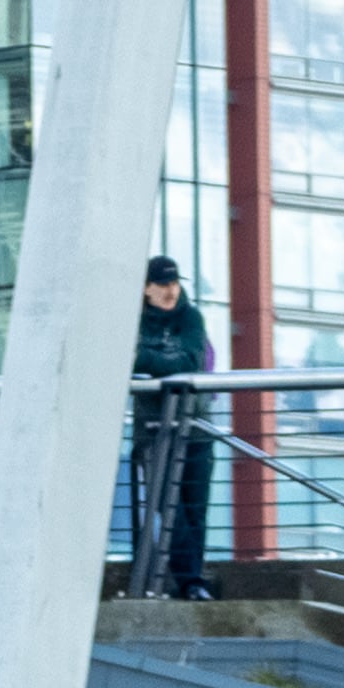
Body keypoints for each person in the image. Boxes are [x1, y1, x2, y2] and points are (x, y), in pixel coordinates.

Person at [128, 250, 220, 592]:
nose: (170, 291)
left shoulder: (192, 318)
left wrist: (153, 361)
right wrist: (169, 361)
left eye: (174, 283)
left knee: (195, 509)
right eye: (162, 284)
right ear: (146, 288)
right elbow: (132, 356)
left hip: (195, 427)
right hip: (153, 430)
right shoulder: (132, 320)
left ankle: (192, 582)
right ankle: (190, 581)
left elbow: (192, 360)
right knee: (170, 509)